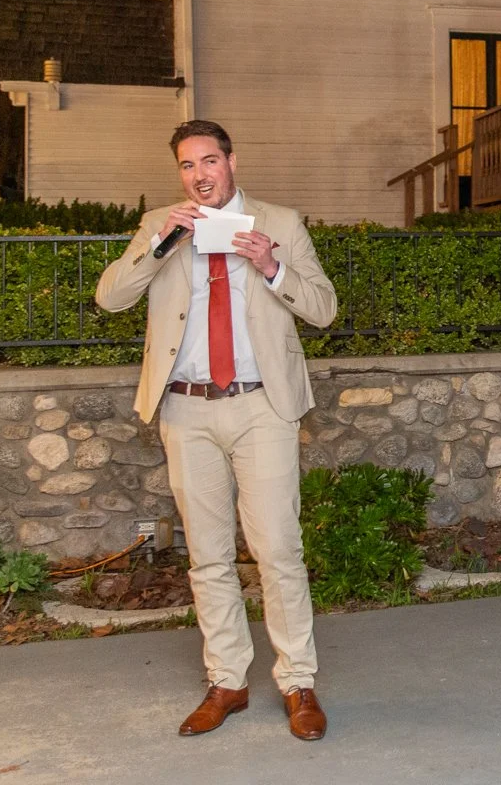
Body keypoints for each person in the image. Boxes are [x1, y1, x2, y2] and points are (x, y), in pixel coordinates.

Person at [96, 120, 338, 739]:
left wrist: (272, 266)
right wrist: (161, 244)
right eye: (186, 165)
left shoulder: (279, 224)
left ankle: (298, 683)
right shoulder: (161, 225)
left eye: (209, 160)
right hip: (186, 407)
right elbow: (110, 298)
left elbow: (324, 309)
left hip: (262, 407)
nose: (199, 174)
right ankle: (227, 681)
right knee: (206, 555)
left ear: (232, 161)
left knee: (278, 549)